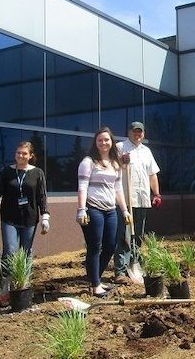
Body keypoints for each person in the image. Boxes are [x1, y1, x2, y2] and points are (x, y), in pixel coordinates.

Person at [76, 127, 131, 297]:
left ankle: (95, 280)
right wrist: (81, 209)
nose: (103, 143)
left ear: (111, 142)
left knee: (110, 246)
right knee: (94, 247)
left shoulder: (116, 164)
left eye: (106, 140)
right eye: (100, 140)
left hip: (111, 210)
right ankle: (95, 284)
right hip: (93, 209)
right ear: (95, 143)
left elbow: (118, 189)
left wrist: (124, 210)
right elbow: (82, 187)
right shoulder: (88, 162)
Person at [0, 141, 49, 274]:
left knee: (26, 252)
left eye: (24, 153)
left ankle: (24, 283)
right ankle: (6, 284)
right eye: (18, 152)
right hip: (9, 218)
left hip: (30, 218)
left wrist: (45, 215)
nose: (21, 155)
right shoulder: (6, 171)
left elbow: (42, 196)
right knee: (10, 251)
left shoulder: (37, 173)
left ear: (30, 156)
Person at [113, 122, 161, 285]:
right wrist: (121, 161)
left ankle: (135, 263)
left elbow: (152, 174)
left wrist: (157, 194)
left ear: (143, 134)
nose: (137, 134)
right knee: (124, 235)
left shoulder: (146, 151)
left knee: (138, 234)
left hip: (142, 199)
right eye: (134, 132)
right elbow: (111, 166)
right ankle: (120, 270)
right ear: (129, 132)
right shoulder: (120, 147)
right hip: (125, 201)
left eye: (140, 132)